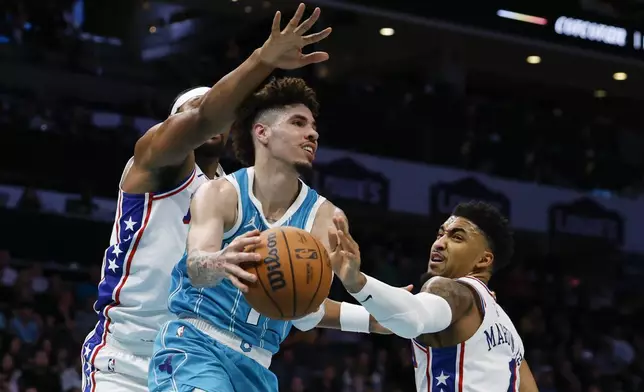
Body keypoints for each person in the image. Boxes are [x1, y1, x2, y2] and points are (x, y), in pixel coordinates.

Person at [80, 4, 333, 391]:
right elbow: (204, 120)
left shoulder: (235, 196)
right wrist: (263, 59)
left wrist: (376, 307)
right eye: (190, 107)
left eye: (213, 105)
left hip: (197, 355)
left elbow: (290, 292)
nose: (203, 113)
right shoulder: (154, 160)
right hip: (125, 359)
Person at [148, 78, 388, 392]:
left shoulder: (327, 217)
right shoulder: (219, 193)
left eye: (313, 126)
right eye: (298, 123)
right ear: (262, 132)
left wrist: (375, 319)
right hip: (195, 347)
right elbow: (196, 267)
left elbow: (303, 312)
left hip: (257, 366)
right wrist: (220, 262)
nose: (312, 133)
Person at [330, 201, 541, 391]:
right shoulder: (509, 334)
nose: (439, 243)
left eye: (457, 237)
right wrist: (307, 310)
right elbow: (384, 320)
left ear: (483, 260)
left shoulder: (449, 290)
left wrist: (356, 281)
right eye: (440, 234)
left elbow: (411, 319)